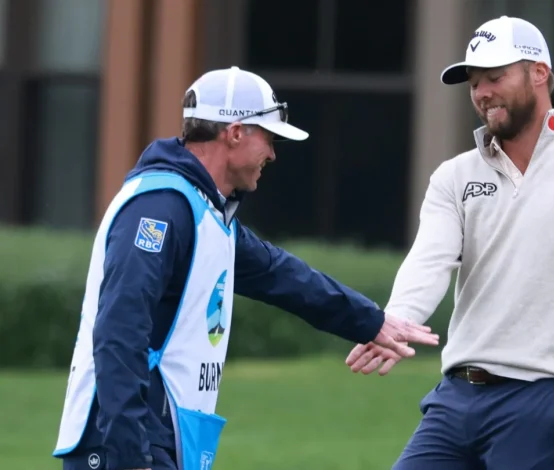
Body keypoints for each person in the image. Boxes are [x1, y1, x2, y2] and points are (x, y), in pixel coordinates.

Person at [52, 66, 439, 470]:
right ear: (235, 133)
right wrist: (132, 456)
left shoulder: (204, 210)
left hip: (159, 434)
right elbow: (118, 332)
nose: (272, 154)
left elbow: (283, 276)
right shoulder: (160, 207)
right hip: (123, 441)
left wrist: (371, 321)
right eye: (269, 139)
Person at [345, 15, 554, 470]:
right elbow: (428, 262)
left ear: (539, 74)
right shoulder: (455, 175)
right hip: (455, 400)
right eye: (473, 82)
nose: (482, 92)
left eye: (495, 77)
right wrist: (393, 322)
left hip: (546, 401)